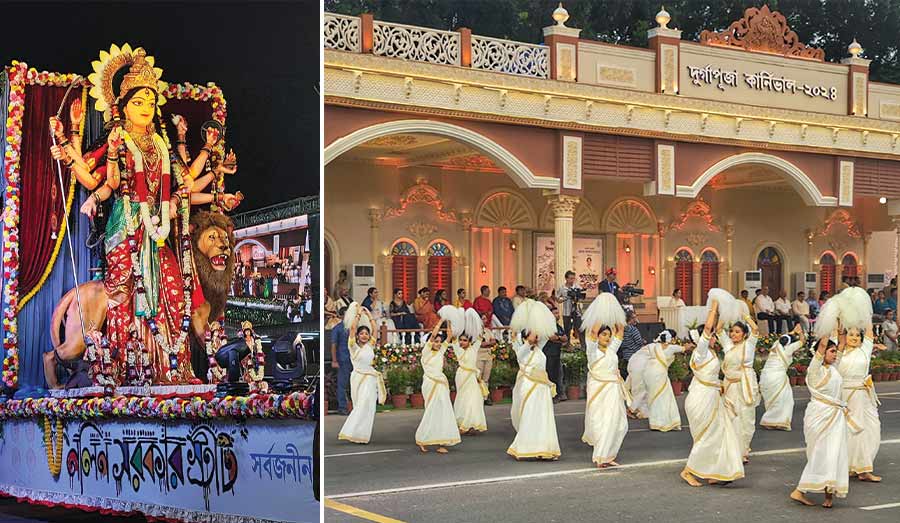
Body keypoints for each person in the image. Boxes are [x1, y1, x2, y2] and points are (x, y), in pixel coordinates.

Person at [681, 300, 745, 487]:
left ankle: (717, 471)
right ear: (704, 337)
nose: (714, 338)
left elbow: (715, 328)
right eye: (711, 336)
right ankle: (688, 471)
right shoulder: (701, 352)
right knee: (708, 436)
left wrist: (723, 314)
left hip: (712, 396)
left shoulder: (710, 352)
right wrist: (714, 307)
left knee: (720, 433)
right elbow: (709, 328)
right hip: (700, 397)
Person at [790, 337, 854, 508]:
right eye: (831, 351)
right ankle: (800, 490)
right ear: (821, 352)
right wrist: (826, 321)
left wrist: (840, 318)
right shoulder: (815, 368)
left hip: (835, 415)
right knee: (819, 453)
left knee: (834, 452)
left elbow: (841, 342)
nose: (835, 354)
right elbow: (823, 344)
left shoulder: (834, 368)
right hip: (819, 414)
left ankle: (829, 495)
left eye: (835, 352)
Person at [507, 301, 561, 461]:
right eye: (532, 334)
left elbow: (545, 333)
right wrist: (520, 327)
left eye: (536, 334)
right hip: (528, 386)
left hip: (542, 389)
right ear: (525, 336)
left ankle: (544, 448)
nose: (536, 337)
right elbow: (517, 338)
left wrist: (535, 316)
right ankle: (525, 447)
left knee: (544, 417)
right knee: (530, 416)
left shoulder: (540, 348)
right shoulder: (521, 350)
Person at [837, 323, 883, 482]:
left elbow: (869, 331)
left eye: (857, 335)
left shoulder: (865, 350)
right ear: (844, 337)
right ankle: (860, 469)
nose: (855, 338)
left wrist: (863, 311)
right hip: (846, 395)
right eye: (851, 335)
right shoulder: (839, 352)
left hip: (864, 395)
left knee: (873, 427)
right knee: (855, 430)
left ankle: (860, 464)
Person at [583, 321, 629, 467]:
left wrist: (613, 311)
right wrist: (601, 310)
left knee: (620, 424)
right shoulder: (592, 352)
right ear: (597, 336)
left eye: (609, 335)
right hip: (598, 392)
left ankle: (607, 455)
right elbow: (591, 333)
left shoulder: (611, 350)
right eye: (604, 334)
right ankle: (601, 456)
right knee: (601, 423)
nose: (608, 338)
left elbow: (620, 331)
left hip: (614, 392)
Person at [338, 307, 386, 444]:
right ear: (358, 336)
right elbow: (353, 328)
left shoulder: (370, 346)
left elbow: (375, 330)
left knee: (368, 405)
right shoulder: (353, 347)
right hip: (358, 378)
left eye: (366, 333)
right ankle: (351, 431)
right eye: (362, 333)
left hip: (370, 379)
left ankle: (362, 435)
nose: (364, 335)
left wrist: (369, 315)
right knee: (360, 405)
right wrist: (358, 314)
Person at [717, 311, 760, 462]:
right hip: (730, 387)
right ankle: (732, 450)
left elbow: (755, 330)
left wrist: (744, 314)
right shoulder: (728, 346)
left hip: (744, 386)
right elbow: (718, 331)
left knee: (745, 419)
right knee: (731, 418)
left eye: (737, 332)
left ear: (744, 334)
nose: (733, 334)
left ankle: (743, 451)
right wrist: (725, 313)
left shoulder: (749, 345)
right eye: (732, 331)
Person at [415, 320, 461, 453]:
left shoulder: (440, 352)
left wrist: (449, 322)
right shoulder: (426, 352)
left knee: (443, 411)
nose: (438, 343)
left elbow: (449, 336)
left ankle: (441, 442)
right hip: (430, 383)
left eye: (439, 342)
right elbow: (434, 334)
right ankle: (423, 438)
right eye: (435, 341)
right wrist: (440, 320)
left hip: (441, 384)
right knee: (431, 410)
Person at [759, 325, 806, 430]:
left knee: (772, 399)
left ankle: (769, 421)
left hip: (766, 376)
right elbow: (803, 341)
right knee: (786, 399)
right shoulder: (789, 348)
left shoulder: (775, 346)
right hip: (777, 376)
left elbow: (784, 337)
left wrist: (793, 331)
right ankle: (779, 421)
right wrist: (800, 333)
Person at [642, 329, 688, 432]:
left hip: (649, 372)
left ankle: (655, 422)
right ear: (670, 338)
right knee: (663, 396)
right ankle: (664, 422)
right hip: (660, 373)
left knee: (653, 397)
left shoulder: (653, 346)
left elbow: (641, 352)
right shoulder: (671, 347)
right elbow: (685, 348)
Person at [453, 309, 489, 434]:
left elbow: (479, 337)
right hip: (462, 376)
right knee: (462, 398)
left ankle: (470, 423)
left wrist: (479, 324)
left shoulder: (474, 348)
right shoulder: (458, 349)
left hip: (472, 377)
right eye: (461, 340)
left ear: (469, 341)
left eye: (465, 340)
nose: (462, 342)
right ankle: (463, 423)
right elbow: (453, 339)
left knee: (474, 399)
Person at [330, 307, 352, 415]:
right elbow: (334, 345)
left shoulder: (353, 327)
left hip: (354, 358)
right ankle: (342, 407)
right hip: (343, 359)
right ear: (342, 316)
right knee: (342, 384)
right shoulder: (337, 328)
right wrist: (334, 360)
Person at [544, 307, 568, 402]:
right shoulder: (547, 326)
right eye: (555, 313)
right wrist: (559, 338)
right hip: (548, 354)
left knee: (557, 375)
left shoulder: (558, 327)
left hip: (557, 354)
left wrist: (559, 338)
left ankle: (558, 394)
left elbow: (565, 338)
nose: (557, 315)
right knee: (550, 375)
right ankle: (551, 395)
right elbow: (551, 337)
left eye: (558, 313)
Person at [557, 270, 584, 347]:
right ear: (566, 278)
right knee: (567, 329)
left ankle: (583, 346)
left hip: (577, 311)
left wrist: (577, 297)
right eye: (571, 278)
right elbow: (558, 300)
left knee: (580, 328)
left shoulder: (577, 287)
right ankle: (567, 345)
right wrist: (566, 298)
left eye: (573, 278)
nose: (572, 280)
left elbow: (582, 297)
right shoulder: (562, 288)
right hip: (566, 311)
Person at [476, 318, 497, 405]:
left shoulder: (487, 331)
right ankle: (477, 396)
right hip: (479, 356)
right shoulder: (475, 331)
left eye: (485, 319)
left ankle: (485, 397)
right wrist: (488, 343)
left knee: (486, 378)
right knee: (478, 377)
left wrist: (486, 344)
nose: (485, 320)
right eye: (483, 319)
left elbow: (494, 341)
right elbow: (479, 343)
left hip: (488, 356)